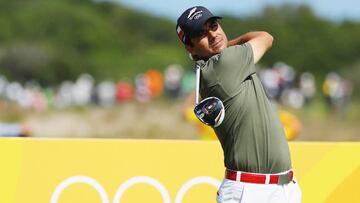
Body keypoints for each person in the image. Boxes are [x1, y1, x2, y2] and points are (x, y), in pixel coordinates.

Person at [176, 6, 301, 203]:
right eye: (201, 33)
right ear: (190, 47)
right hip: (251, 191)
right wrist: (228, 45)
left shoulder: (212, 67)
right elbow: (266, 37)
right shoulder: (226, 63)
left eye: (213, 26)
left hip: (281, 187)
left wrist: (216, 49)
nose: (212, 34)